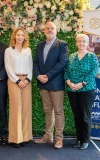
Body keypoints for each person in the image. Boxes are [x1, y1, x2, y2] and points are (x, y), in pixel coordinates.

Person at [33, 21, 68, 149]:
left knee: (58, 111)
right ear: (44, 31)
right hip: (43, 83)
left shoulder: (62, 44)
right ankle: (48, 135)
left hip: (56, 83)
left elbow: (62, 62)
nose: (50, 30)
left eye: (52, 28)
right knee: (47, 111)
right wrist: (38, 75)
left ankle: (59, 138)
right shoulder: (40, 45)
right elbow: (35, 62)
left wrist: (48, 76)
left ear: (56, 30)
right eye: (47, 28)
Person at [64, 34, 99, 150]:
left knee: (85, 116)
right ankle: (79, 139)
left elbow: (94, 72)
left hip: (87, 90)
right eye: (79, 41)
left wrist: (82, 83)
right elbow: (66, 71)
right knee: (77, 116)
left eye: (83, 41)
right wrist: (69, 83)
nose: (81, 43)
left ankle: (85, 140)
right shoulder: (72, 57)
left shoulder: (92, 57)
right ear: (76, 43)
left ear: (87, 43)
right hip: (72, 90)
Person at [4, 28, 33, 148]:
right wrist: (17, 80)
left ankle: (25, 137)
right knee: (16, 109)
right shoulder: (9, 51)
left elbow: (31, 66)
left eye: (22, 35)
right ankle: (16, 139)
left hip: (27, 81)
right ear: (14, 37)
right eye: (18, 35)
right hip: (13, 81)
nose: (20, 37)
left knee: (26, 109)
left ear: (25, 37)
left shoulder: (28, 50)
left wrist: (27, 80)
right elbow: (8, 67)